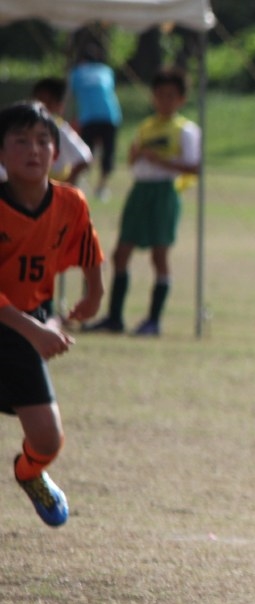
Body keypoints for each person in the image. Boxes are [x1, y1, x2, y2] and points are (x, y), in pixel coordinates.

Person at [0, 102, 104, 526]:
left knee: (47, 440)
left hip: (25, 326)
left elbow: (87, 245)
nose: (34, 150)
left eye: (43, 141)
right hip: (21, 324)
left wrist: (94, 293)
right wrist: (35, 330)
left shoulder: (70, 202)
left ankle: (29, 473)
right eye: (21, 140)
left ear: (56, 153)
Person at [85, 67, 200, 337]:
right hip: (140, 191)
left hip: (164, 193)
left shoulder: (186, 130)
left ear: (181, 99)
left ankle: (154, 320)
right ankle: (114, 317)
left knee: (159, 255)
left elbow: (194, 168)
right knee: (121, 253)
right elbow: (134, 161)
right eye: (159, 95)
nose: (164, 100)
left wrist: (161, 161)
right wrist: (135, 156)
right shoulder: (146, 126)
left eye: (170, 95)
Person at [68, 45, 122, 200]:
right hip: (111, 115)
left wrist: (70, 118)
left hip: (89, 117)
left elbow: (71, 97)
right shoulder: (106, 70)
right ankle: (101, 188)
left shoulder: (76, 72)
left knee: (84, 153)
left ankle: (78, 184)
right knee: (107, 154)